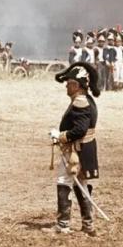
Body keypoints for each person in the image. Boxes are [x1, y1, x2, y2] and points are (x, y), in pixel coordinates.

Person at [48, 61, 100, 236]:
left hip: (76, 151)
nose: (66, 86)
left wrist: (60, 136)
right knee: (81, 184)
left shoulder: (80, 102)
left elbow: (80, 130)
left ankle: (63, 225)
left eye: (69, 83)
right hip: (83, 149)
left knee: (64, 181)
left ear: (77, 85)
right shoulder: (86, 100)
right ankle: (88, 224)